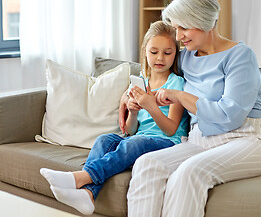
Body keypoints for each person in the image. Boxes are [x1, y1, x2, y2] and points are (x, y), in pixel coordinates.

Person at [119, 0, 261, 217]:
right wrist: (128, 96)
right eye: (176, 28)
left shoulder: (240, 56)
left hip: (247, 138)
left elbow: (229, 115)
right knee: (147, 165)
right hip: (200, 141)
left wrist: (179, 96)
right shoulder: (185, 58)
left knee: (189, 172)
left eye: (184, 27)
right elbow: (152, 69)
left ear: (203, 21)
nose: (178, 36)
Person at [40, 20, 189, 215]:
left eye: (167, 53)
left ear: (175, 54)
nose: (160, 58)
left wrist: (150, 106)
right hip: (140, 139)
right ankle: (88, 194)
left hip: (168, 142)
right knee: (105, 140)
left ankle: (80, 177)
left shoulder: (176, 83)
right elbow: (131, 130)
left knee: (134, 144)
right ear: (145, 51)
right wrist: (133, 111)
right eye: (154, 52)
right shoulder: (140, 82)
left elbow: (170, 129)